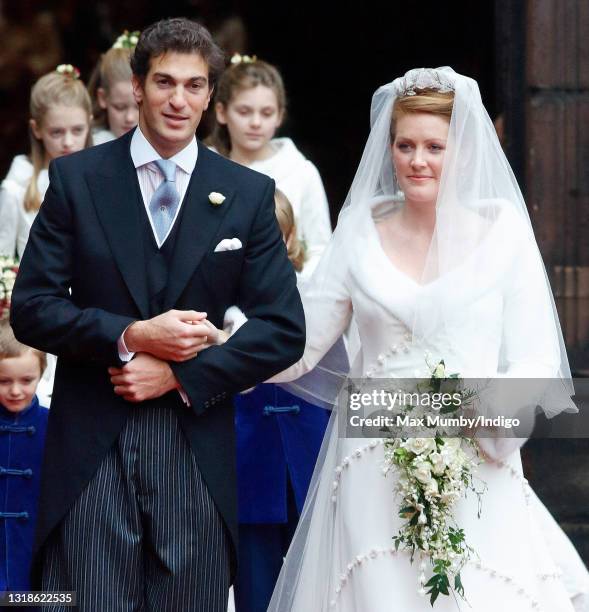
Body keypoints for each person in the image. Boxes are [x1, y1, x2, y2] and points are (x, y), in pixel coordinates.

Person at [260, 68, 589, 610]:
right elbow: (300, 344)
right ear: (387, 149)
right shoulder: (360, 228)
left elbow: (534, 356)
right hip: (371, 464)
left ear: (461, 152)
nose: (418, 160)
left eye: (434, 146)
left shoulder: (503, 230)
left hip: (477, 461)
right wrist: (215, 352)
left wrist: (479, 416)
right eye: (405, 145)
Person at [10, 17, 304, 612]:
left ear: (210, 98)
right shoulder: (76, 178)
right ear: (137, 87)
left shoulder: (246, 194)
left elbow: (284, 331)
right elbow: (32, 308)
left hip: (195, 450)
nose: (178, 99)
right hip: (90, 446)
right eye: (164, 82)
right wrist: (129, 334)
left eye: (194, 86)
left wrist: (180, 373)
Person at [223, 190, 331, 612]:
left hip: (308, 452)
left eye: (274, 237)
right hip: (248, 463)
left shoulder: (319, 297)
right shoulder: (220, 305)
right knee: (255, 583)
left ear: (289, 240)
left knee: (314, 578)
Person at [208, 56, 332, 279]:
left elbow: (320, 249)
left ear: (279, 116)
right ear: (222, 112)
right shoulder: (206, 167)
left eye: (266, 113)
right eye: (244, 112)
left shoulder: (301, 172)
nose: (256, 122)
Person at [0, 65, 92, 260]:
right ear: (37, 129)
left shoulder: (104, 179)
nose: (68, 142)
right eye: (56, 132)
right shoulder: (16, 188)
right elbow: (3, 259)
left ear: (89, 124)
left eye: (77, 130)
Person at [0, 321, 49, 593]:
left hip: (34, 549)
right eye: (4, 381)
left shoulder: (54, 426)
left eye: (26, 380)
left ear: (41, 373)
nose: (16, 391)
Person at [88, 31, 139, 145]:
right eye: (120, 107)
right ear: (102, 98)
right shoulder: (90, 146)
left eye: (139, 106)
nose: (130, 118)